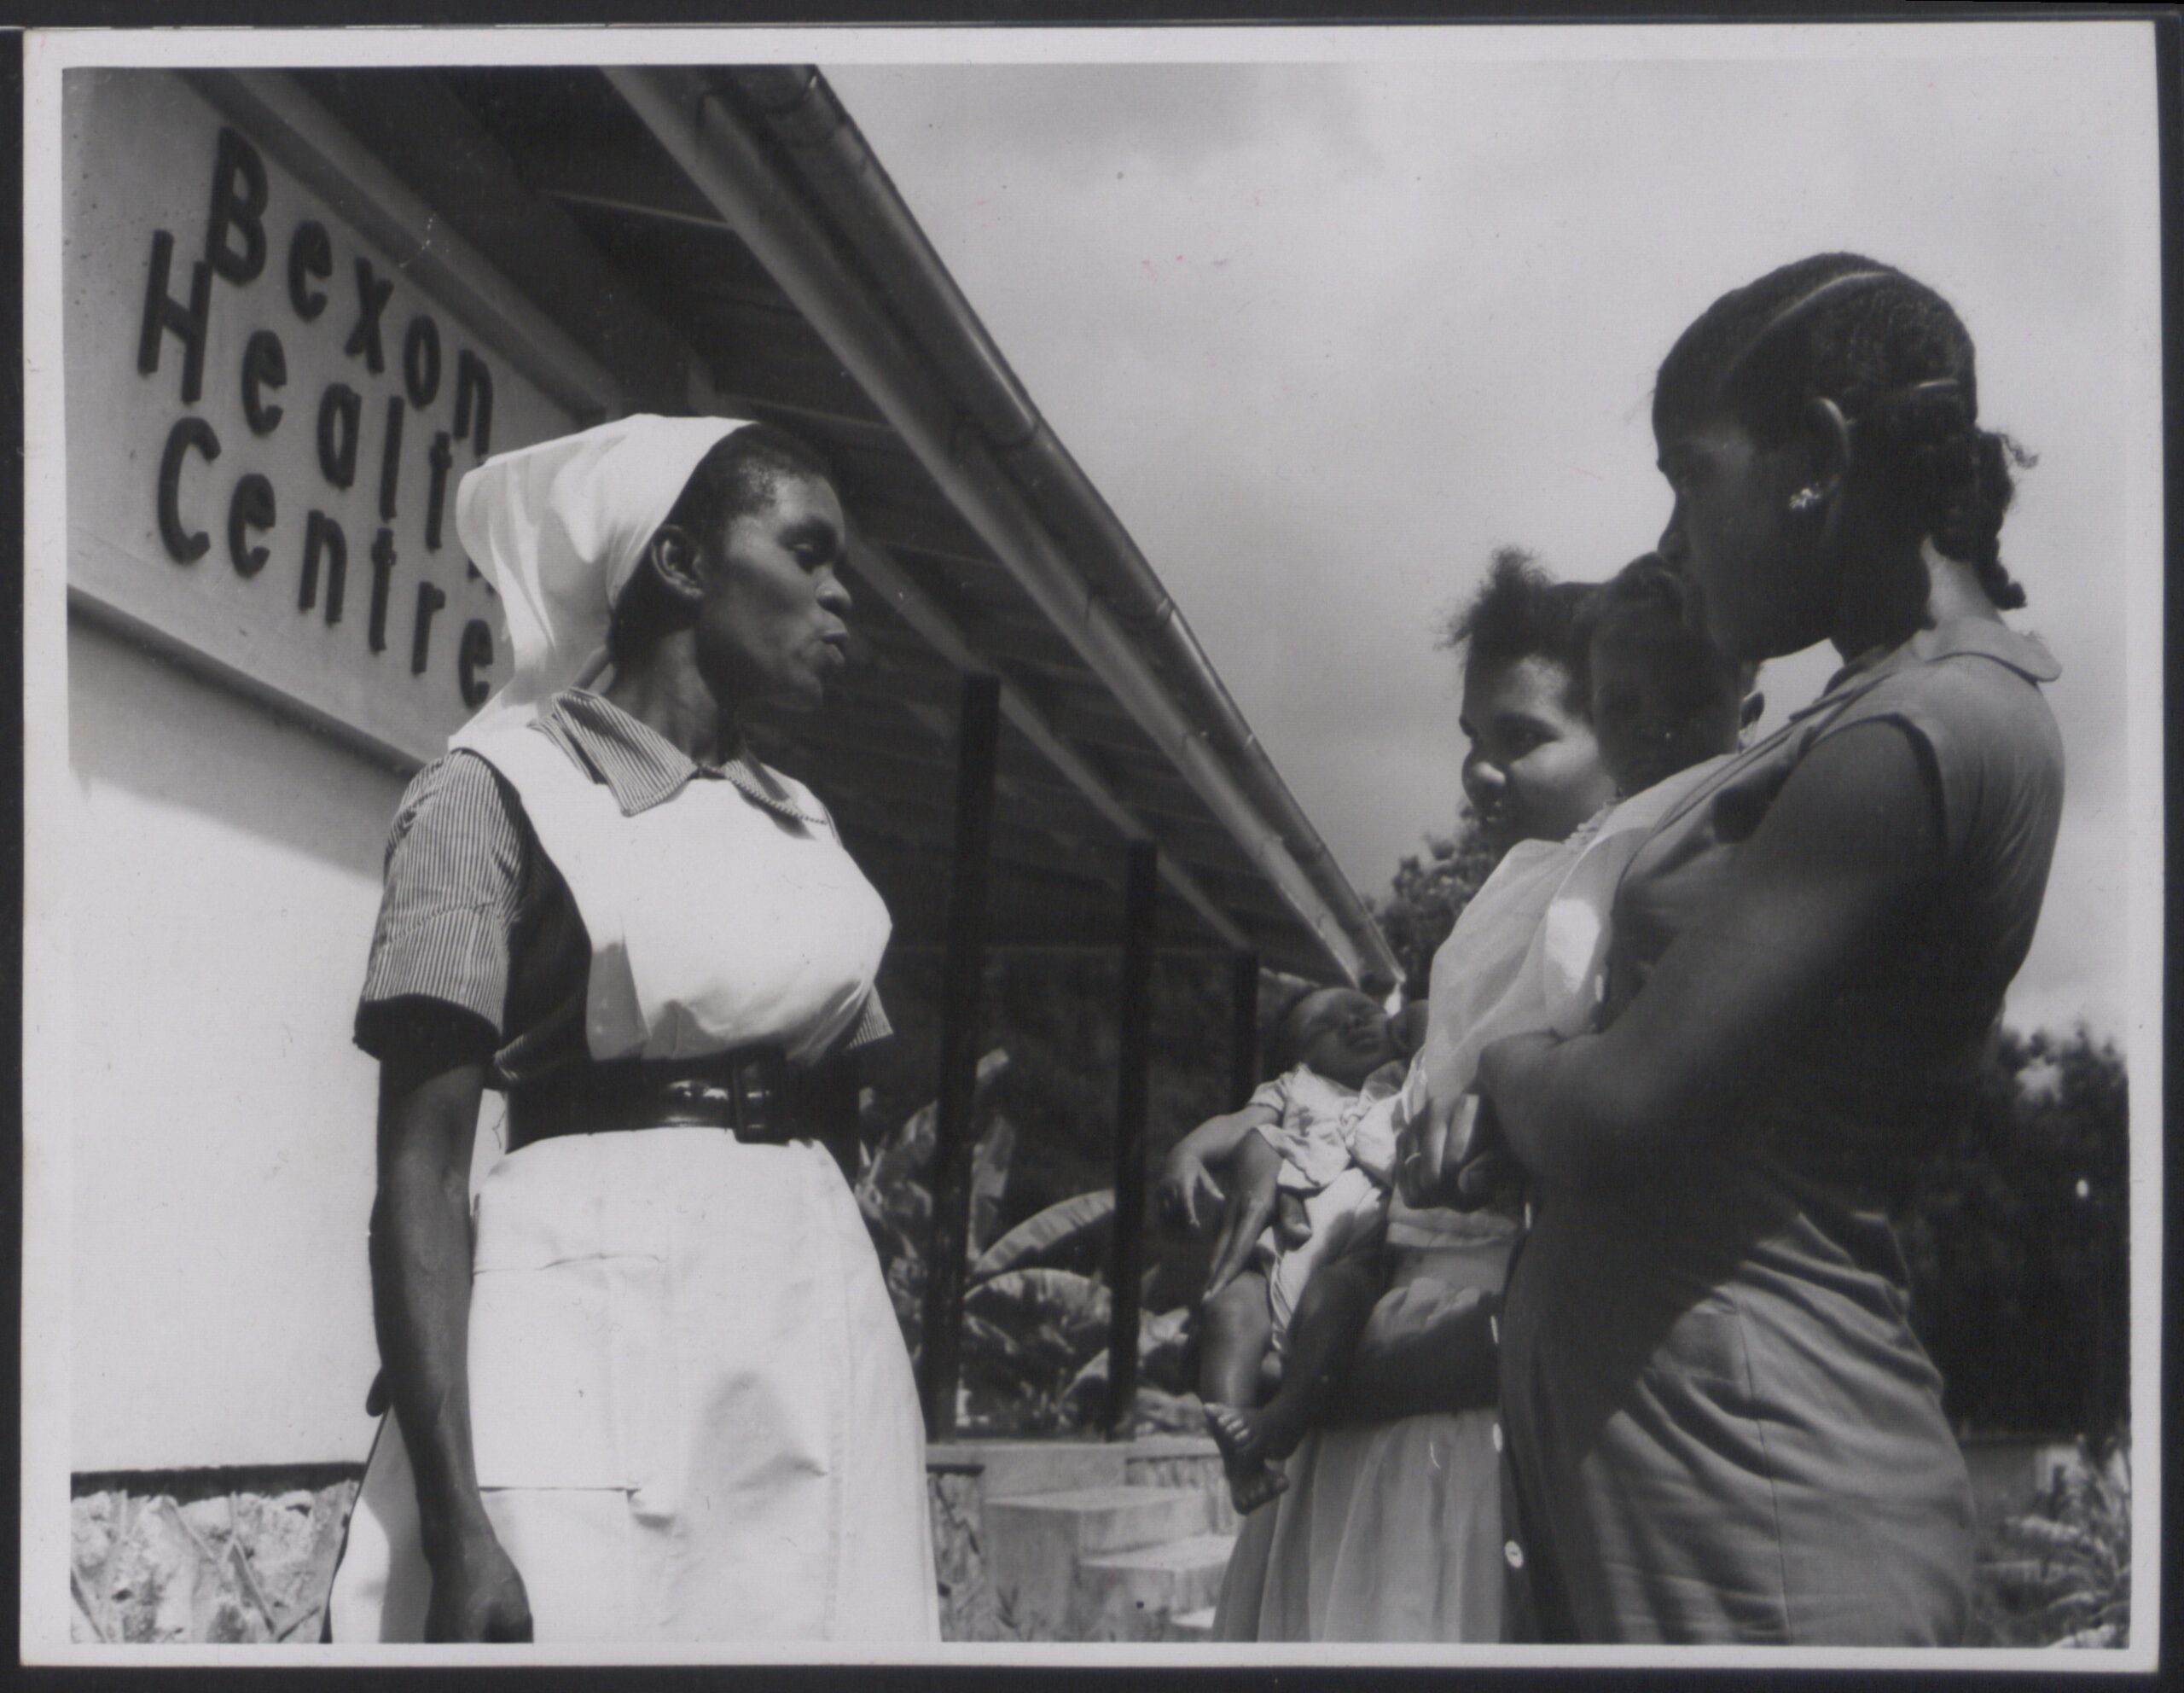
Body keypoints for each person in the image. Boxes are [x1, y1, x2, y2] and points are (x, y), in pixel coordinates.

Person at [1471, 255, 2065, 1645]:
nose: (1672, 539)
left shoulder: (1922, 730)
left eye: (1691, 475)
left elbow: (1618, 1110)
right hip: (1676, 1488)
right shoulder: (1872, 710)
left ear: (1815, 458)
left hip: (1767, 1508)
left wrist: (1500, 1061)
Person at [324, 416, 939, 1644]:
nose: (841, 598)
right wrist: (459, 1529)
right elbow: (424, 1175)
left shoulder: (804, 831)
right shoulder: (496, 789)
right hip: (589, 1332)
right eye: (808, 553)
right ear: (682, 565)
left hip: (807, 1342)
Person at [1210, 551, 1609, 1643]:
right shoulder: (1499, 895)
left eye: (1523, 737)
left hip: (1477, 1360)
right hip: (1398, 1295)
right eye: (1473, 740)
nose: (1482, 772)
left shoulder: (1611, 888)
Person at [1158, 984, 1416, 1515]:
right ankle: (1240, 1461)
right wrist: (1187, 1152)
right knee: (1228, 1308)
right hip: (1277, 1260)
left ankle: (1281, 1421)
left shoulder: (1406, 1083)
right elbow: (1233, 1126)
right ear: (1296, 1058)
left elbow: (1429, 1020)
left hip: (1356, 1253)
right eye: (1326, 1026)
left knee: (1338, 1295)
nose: (1352, 1024)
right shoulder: (1293, 1090)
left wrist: (1403, 1024)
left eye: (1364, 1012)